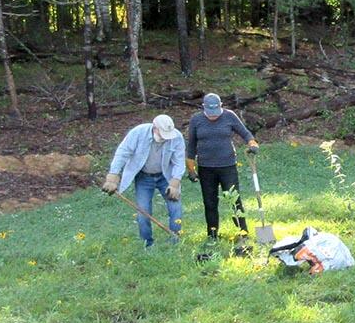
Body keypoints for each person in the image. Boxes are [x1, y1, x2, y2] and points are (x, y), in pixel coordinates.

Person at [102, 114, 185, 247]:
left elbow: (179, 162)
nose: (165, 137)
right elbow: (122, 153)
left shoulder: (177, 137)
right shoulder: (138, 133)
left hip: (166, 176)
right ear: (155, 128)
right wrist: (113, 176)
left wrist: (175, 183)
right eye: (162, 133)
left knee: (175, 208)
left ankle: (175, 240)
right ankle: (147, 243)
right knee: (143, 212)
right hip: (144, 177)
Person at [186, 93, 259, 242]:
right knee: (210, 202)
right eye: (210, 113)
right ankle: (212, 235)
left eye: (216, 112)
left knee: (234, 201)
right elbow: (191, 146)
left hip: (227, 166)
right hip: (206, 168)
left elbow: (245, 134)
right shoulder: (196, 120)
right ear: (203, 108)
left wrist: (252, 144)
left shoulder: (229, 116)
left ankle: (243, 233)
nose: (213, 116)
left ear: (220, 106)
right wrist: (191, 169)